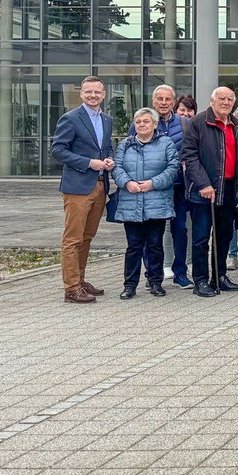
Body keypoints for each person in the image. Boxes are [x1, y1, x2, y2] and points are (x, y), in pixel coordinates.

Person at [182, 86, 238, 298]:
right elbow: (189, 156)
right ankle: (201, 280)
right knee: (201, 238)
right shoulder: (198, 122)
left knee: (224, 236)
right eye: (222, 98)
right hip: (204, 190)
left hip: (229, 189)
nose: (226, 102)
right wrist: (203, 184)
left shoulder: (237, 125)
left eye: (230, 99)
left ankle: (219, 276)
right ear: (212, 101)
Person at [51, 76, 115, 304]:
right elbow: (58, 150)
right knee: (73, 238)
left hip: (100, 185)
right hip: (78, 187)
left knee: (87, 237)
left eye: (97, 92)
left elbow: (106, 148)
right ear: (81, 93)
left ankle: (80, 280)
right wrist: (88, 163)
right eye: (88, 92)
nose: (93, 96)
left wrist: (110, 159)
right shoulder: (70, 118)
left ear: (103, 94)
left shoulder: (106, 120)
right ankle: (71, 289)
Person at [112, 107, 181, 300]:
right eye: (138, 122)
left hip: (156, 203)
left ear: (155, 124)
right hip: (131, 202)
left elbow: (173, 167)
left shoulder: (166, 143)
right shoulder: (125, 144)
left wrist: (153, 183)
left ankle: (155, 282)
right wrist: (127, 182)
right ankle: (130, 285)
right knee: (133, 247)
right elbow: (116, 168)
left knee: (155, 245)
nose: (142, 125)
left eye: (146, 121)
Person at [129, 84, 193, 288]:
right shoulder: (141, 121)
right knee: (150, 234)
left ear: (174, 102)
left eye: (167, 99)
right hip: (150, 188)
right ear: (153, 101)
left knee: (180, 230)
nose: (163, 103)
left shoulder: (185, 123)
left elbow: (192, 151)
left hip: (178, 186)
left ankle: (180, 272)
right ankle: (152, 274)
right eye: (160, 99)